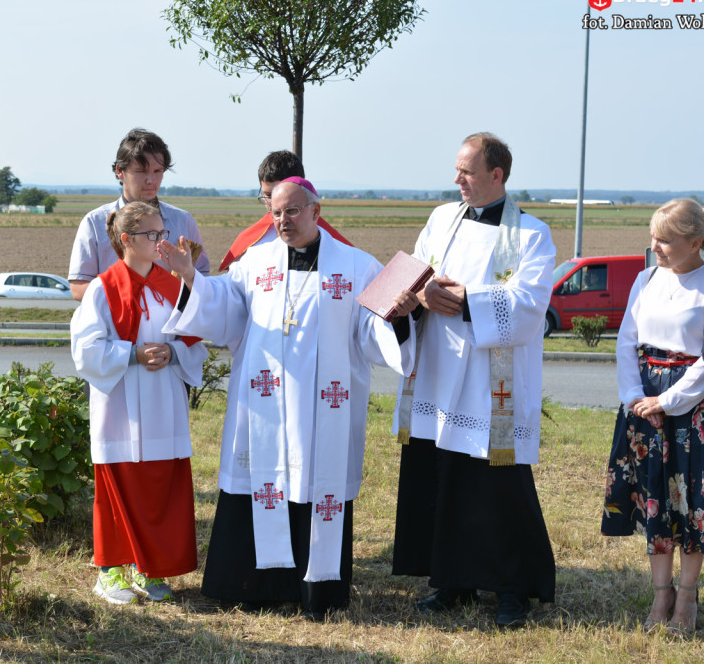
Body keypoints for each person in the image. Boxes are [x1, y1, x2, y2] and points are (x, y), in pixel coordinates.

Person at [159, 177, 417, 621]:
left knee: (316, 485)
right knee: (260, 482)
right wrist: (190, 277)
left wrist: (398, 316)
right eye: (276, 212)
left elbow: (372, 329)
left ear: (316, 211)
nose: (283, 220)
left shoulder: (357, 266)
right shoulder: (256, 261)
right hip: (266, 404)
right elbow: (224, 306)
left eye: (293, 211)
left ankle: (316, 591)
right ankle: (252, 587)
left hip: (324, 407)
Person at [391, 132, 557, 628]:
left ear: (496, 175)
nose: (457, 179)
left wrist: (467, 300)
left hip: (489, 382)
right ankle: (452, 580)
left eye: (466, 171)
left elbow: (530, 305)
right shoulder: (442, 218)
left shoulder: (532, 235)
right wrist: (421, 295)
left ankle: (512, 588)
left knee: (497, 487)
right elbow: (415, 273)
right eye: (458, 170)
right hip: (438, 371)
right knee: (445, 476)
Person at [603, 198, 704, 636]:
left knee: (692, 502)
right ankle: (661, 594)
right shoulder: (645, 279)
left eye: (665, 240)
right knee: (654, 497)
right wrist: (634, 397)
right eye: (653, 237)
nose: (654, 246)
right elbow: (626, 341)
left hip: (694, 408)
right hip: (643, 403)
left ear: (695, 243)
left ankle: (687, 597)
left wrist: (669, 401)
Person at [71, 201, 206, 605]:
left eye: (162, 233)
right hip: (120, 405)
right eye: (152, 234)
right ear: (127, 240)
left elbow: (195, 340)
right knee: (120, 485)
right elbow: (85, 349)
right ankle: (110, 571)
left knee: (161, 485)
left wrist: (173, 352)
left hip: (164, 401)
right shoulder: (103, 288)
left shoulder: (173, 285)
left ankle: (150, 568)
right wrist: (132, 354)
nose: (160, 240)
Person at [68, 128, 209, 301]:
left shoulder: (183, 221)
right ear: (120, 171)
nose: (151, 180)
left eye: (157, 171)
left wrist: (186, 275)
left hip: (172, 317)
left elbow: (204, 282)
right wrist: (132, 300)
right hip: (114, 318)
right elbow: (78, 288)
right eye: (141, 171)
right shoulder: (94, 222)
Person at [218, 150, 352, 272]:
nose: (273, 203)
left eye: (279, 194)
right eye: (268, 195)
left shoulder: (338, 247)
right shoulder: (251, 242)